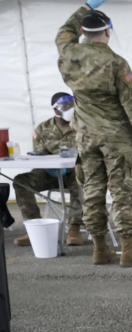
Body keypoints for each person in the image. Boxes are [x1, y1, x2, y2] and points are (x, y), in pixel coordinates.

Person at [56, 0, 132, 267]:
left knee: (92, 190)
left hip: (85, 138)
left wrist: (84, 7)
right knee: (123, 190)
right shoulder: (115, 63)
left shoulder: (68, 55)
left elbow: (62, 33)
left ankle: (100, 249)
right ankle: (129, 250)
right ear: (108, 32)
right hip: (116, 138)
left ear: (82, 31)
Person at [11, 93, 84, 248]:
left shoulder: (83, 125)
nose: (70, 109)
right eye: (65, 107)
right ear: (55, 110)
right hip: (50, 173)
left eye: (72, 105)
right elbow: (40, 155)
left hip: (74, 171)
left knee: (81, 178)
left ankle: (74, 228)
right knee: (21, 181)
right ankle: (34, 228)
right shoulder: (42, 129)